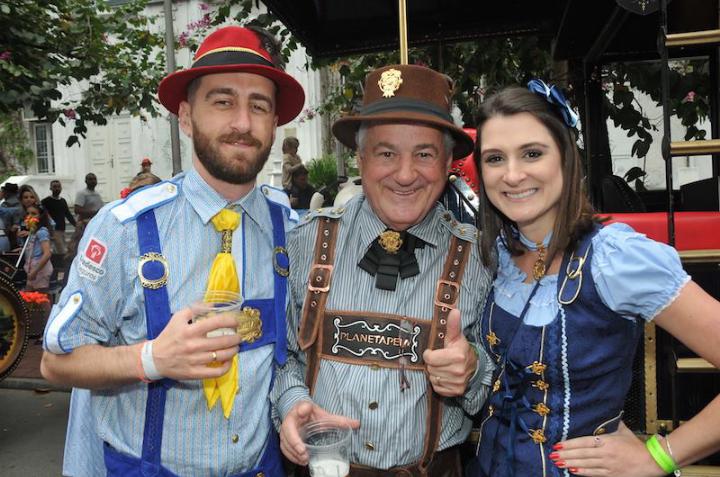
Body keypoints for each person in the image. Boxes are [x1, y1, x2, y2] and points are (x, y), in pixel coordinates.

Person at [41, 24, 305, 477]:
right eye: (222, 102)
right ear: (185, 117)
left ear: (275, 122)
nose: (243, 123)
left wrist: (295, 403)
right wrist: (151, 359)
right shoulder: (124, 229)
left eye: (259, 106)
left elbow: (290, 357)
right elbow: (55, 362)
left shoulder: (293, 232)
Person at [468, 80, 720, 476]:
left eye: (532, 153)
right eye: (495, 158)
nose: (512, 175)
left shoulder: (613, 258)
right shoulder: (493, 254)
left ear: (566, 158)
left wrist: (658, 456)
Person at [273, 64, 494, 476]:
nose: (405, 175)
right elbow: (282, 356)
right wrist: (291, 403)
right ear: (360, 159)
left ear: (448, 162)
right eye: (386, 153)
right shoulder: (304, 243)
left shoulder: (480, 258)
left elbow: (506, 383)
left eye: (424, 154)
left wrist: (473, 370)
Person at [22, 204, 53, 291]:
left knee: (40, 296)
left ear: (40, 216)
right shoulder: (33, 232)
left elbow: (47, 253)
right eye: (28, 213)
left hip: (39, 269)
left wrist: (35, 271)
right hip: (31, 267)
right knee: (29, 295)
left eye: (33, 214)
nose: (30, 216)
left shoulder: (42, 232)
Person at [42, 180, 77, 257]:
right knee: (61, 251)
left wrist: (76, 225)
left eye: (58, 187)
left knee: (58, 251)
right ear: (50, 188)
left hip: (62, 229)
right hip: (52, 230)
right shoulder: (46, 201)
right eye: (54, 187)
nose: (57, 189)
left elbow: (68, 214)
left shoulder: (63, 201)